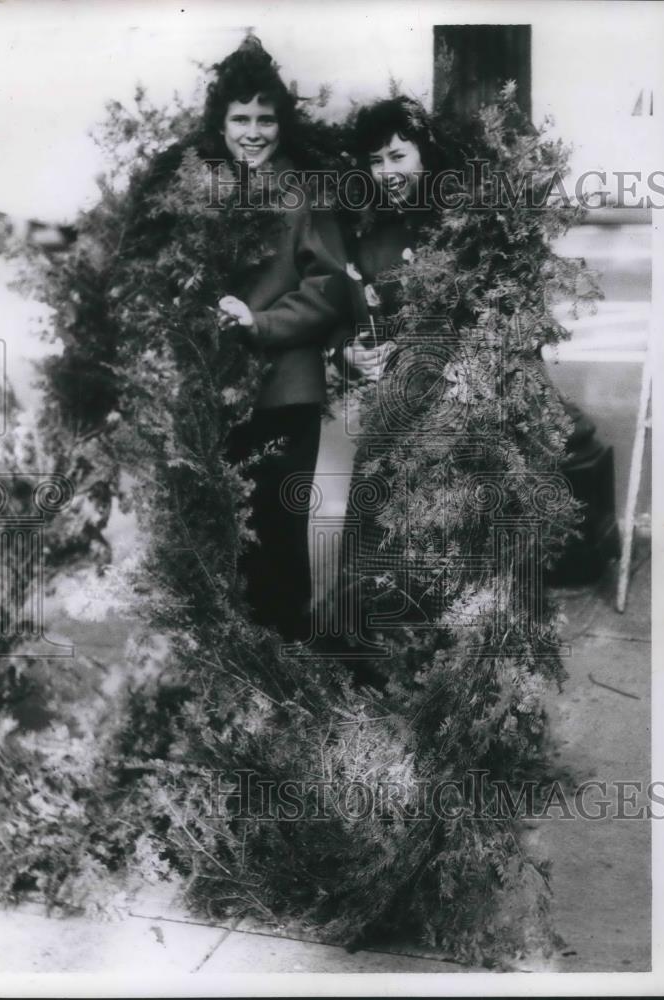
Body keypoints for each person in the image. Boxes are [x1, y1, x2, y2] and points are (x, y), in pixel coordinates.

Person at [201, 37, 352, 642]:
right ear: (221, 123)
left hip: (285, 395)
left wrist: (258, 324)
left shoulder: (303, 190)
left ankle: (287, 674)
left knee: (280, 535)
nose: (254, 131)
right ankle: (236, 673)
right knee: (222, 535)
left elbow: (331, 287)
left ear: (282, 124)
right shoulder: (202, 191)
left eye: (266, 118)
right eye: (241, 118)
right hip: (216, 394)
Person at [330, 97, 446, 667]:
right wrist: (351, 353)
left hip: (447, 419)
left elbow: (482, 321)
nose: (387, 172)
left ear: (424, 153)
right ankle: (372, 671)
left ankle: (431, 674)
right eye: (376, 160)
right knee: (370, 545)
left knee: (435, 551)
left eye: (398, 155)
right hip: (386, 421)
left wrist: (420, 351)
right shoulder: (366, 229)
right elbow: (345, 316)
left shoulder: (457, 223)